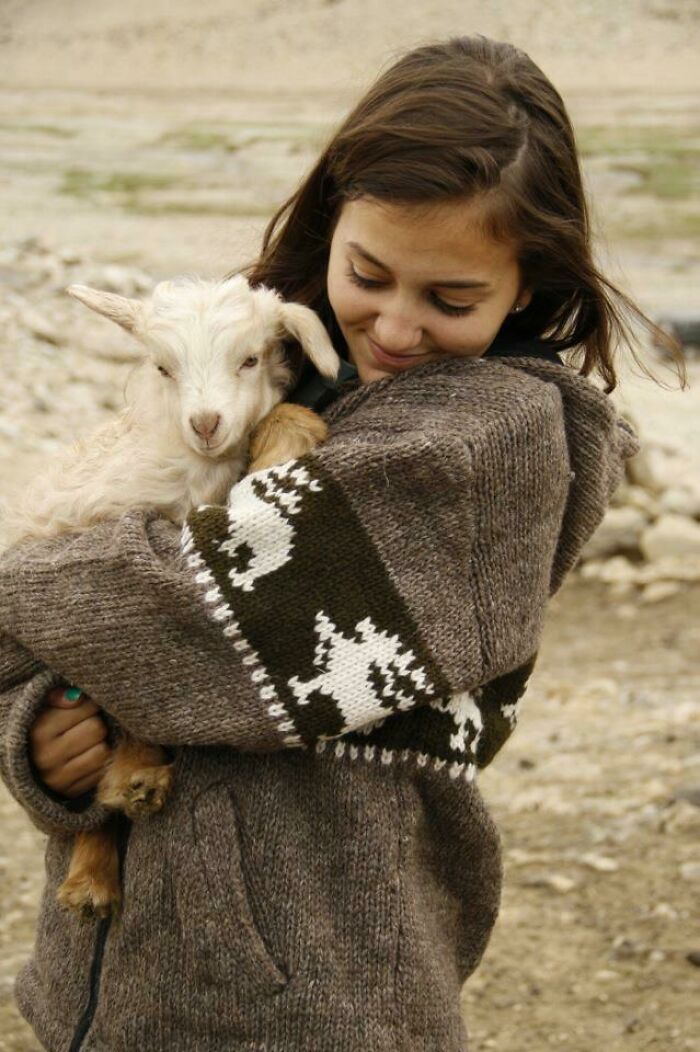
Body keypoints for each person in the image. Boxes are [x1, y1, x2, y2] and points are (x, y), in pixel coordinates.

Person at [0, 35, 683, 1052]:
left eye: (450, 299)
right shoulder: (264, 366)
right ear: (330, 226)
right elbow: (92, 611)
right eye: (368, 273)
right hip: (122, 983)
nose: (397, 326)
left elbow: (192, 616)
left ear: (527, 288)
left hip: (323, 990)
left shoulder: (483, 450)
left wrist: (20, 586)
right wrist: (47, 742)